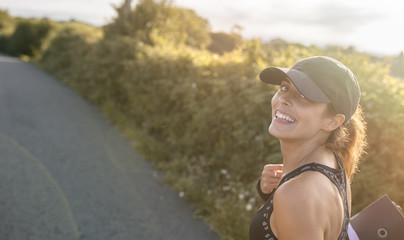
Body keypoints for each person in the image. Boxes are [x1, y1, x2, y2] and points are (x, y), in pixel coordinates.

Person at [249, 56, 367, 240]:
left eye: (303, 96)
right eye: (284, 87)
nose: (284, 100)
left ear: (332, 121)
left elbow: (301, 205)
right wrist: (271, 195)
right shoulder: (332, 160)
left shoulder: (297, 194)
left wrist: (287, 194)